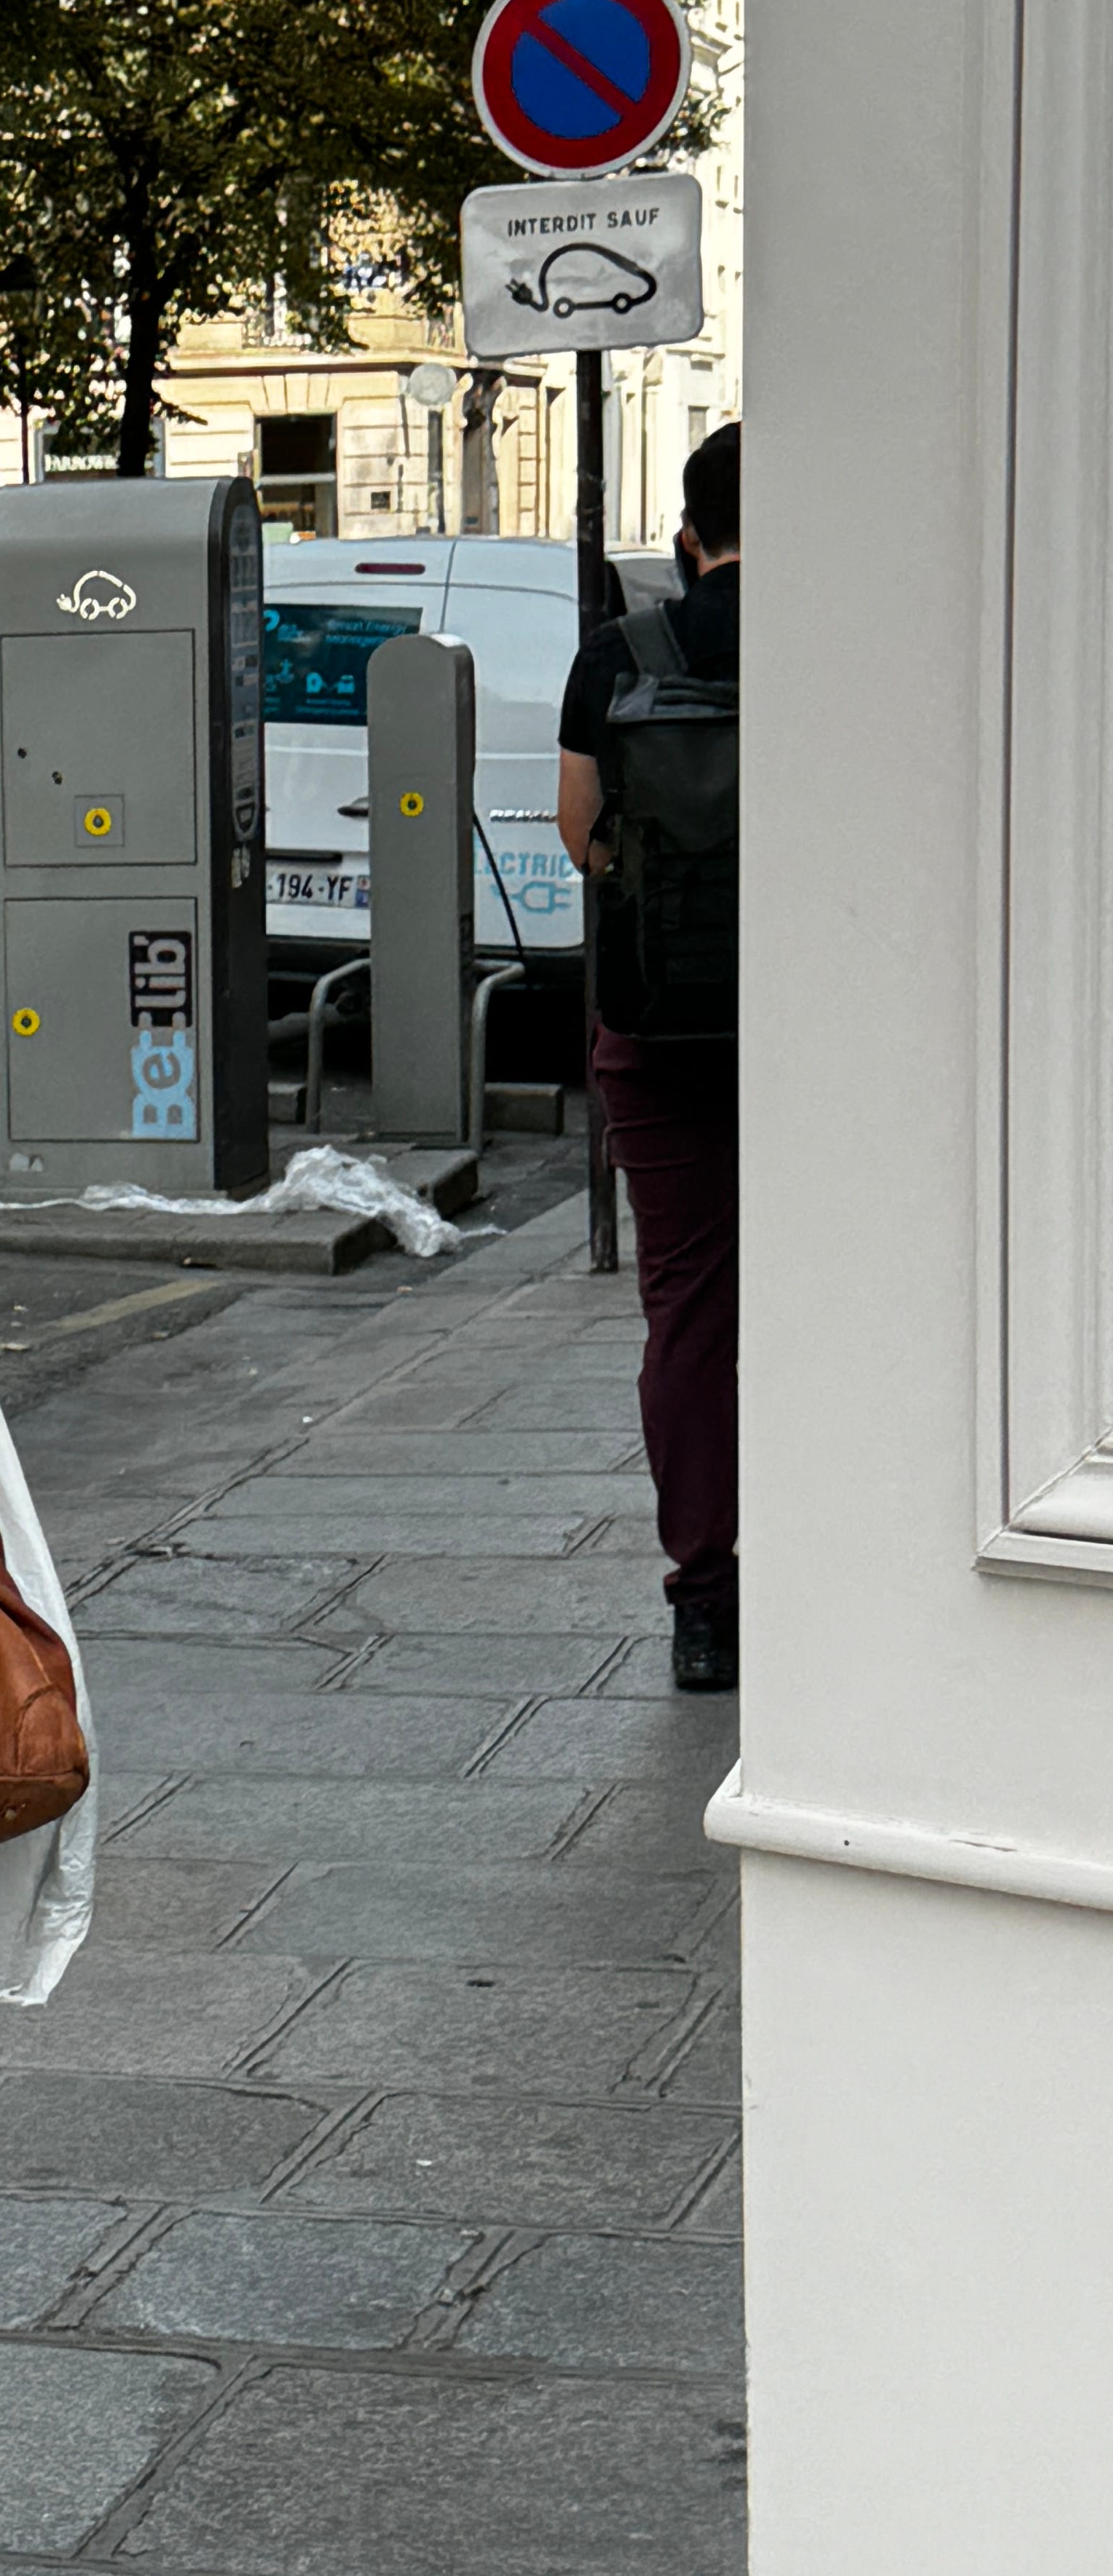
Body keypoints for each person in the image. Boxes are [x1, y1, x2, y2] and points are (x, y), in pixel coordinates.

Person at [557, 419, 741, 1693]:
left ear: (686, 539)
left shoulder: (618, 653)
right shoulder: (848, 635)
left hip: (660, 1029)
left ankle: (706, 1603)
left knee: (688, 1311)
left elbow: (583, 835)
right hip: (825, 1026)